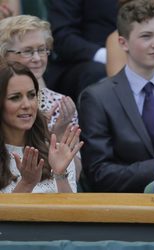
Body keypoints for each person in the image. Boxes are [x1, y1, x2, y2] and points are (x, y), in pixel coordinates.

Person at [78, 0, 154, 193]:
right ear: (123, 43)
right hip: (121, 212)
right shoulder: (97, 98)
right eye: (146, 36)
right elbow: (98, 173)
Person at [0, 15, 82, 180]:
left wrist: (57, 136)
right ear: (4, 55)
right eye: (28, 51)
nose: (37, 58)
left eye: (42, 49)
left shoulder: (61, 104)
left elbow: (76, 177)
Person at [0, 62, 83, 193]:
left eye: (31, 95)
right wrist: (26, 184)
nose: (27, 104)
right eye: (15, 97)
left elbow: (70, 212)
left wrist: (60, 174)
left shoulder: (55, 152)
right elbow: (6, 214)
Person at [45, 0, 118, 103]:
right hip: (83, 61)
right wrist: (107, 55)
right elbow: (62, 36)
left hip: (136, 52)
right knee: (97, 74)